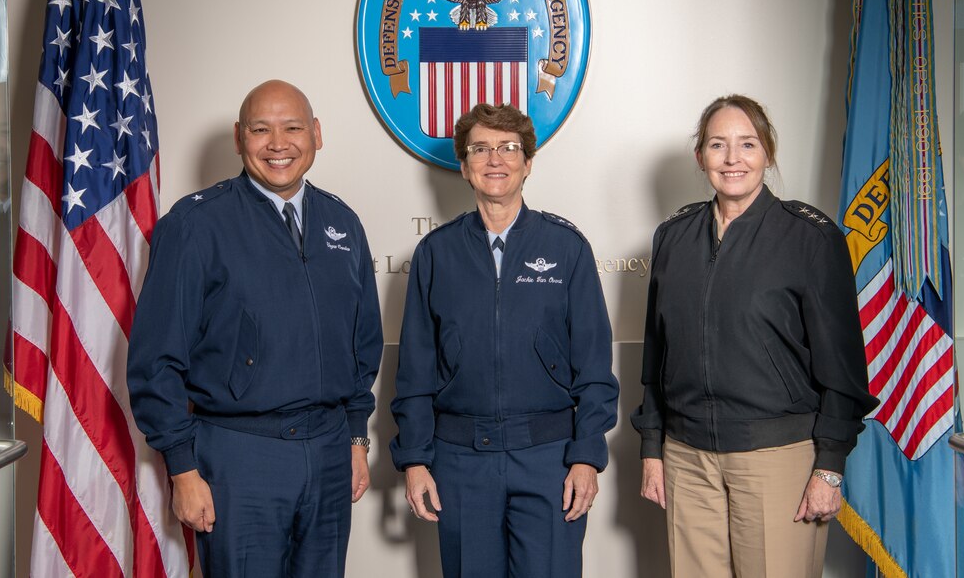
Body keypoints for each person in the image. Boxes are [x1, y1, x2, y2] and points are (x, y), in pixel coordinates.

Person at [127, 80, 383, 577]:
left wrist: (355, 437)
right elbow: (155, 359)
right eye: (261, 130)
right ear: (239, 137)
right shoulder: (195, 225)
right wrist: (182, 467)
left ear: (316, 134)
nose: (278, 144)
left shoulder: (342, 223)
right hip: (240, 456)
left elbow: (363, 340)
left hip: (329, 451)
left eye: (292, 128)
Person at [632, 95, 878, 577]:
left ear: (767, 152)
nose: (732, 158)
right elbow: (657, 357)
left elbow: (843, 369)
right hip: (687, 459)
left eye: (747, 144)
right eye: (718, 144)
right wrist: (651, 448)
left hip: (777, 458)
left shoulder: (809, 237)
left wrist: (829, 465)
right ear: (700, 156)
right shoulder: (673, 238)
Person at [391, 103, 619, 578]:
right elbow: (415, 368)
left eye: (508, 148)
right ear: (463, 165)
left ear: (528, 162)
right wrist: (415, 459)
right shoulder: (436, 253)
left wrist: (586, 456)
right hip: (460, 462)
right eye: (481, 149)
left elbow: (596, 367)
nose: (495, 159)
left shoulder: (567, 248)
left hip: (549, 459)